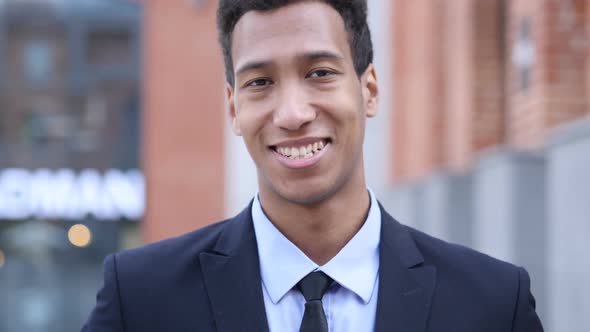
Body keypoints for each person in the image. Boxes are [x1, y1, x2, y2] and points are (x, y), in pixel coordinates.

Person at [83, 1, 544, 331]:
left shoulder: (492, 304)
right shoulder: (141, 299)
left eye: (319, 73)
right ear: (233, 109)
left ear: (370, 90)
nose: (292, 113)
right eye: (260, 82)